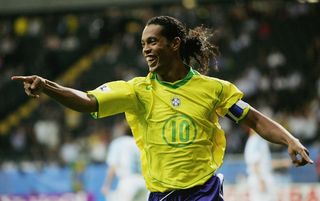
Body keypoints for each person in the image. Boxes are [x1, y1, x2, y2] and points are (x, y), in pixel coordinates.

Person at [12, 16, 313, 201]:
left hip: (203, 192)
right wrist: (48, 87)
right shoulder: (136, 91)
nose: (145, 49)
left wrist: (290, 139)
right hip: (160, 195)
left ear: (174, 44)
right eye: (143, 43)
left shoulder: (213, 90)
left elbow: (254, 119)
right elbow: (88, 101)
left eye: (153, 42)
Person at [101, 119, 147, 201]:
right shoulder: (141, 142)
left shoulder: (118, 142)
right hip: (143, 182)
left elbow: (113, 166)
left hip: (127, 181)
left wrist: (107, 185)